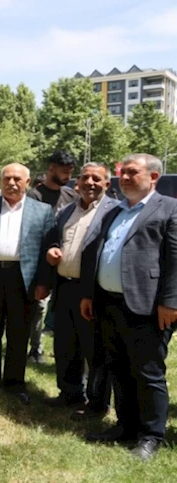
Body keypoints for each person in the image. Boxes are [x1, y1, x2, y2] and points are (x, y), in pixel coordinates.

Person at [80, 154, 177, 461]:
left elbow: (175, 261)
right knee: (118, 367)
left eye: (132, 173)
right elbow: (100, 252)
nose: (123, 177)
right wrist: (89, 294)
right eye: (122, 172)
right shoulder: (115, 210)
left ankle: (151, 435)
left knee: (148, 372)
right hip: (109, 302)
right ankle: (125, 426)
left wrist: (170, 302)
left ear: (153, 177)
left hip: (148, 306)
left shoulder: (170, 208)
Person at [0, 163, 54, 405]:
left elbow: (48, 248)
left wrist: (44, 282)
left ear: (27, 182)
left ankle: (15, 382)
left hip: (24, 278)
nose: (12, 183)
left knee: (19, 332)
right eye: (7, 178)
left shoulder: (43, 211)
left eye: (17, 179)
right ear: (1, 180)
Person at [43, 162, 117, 418]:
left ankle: (97, 404)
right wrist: (52, 250)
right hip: (64, 287)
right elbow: (56, 239)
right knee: (65, 344)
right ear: (77, 183)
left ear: (107, 184)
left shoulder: (114, 211)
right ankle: (70, 393)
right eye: (85, 178)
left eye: (97, 179)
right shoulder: (65, 211)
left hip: (93, 292)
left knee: (95, 349)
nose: (90, 183)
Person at [27, 150, 78, 362]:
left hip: (64, 261)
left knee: (62, 307)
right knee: (38, 306)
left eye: (70, 172)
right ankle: (34, 349)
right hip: (40, 260)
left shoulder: (71, 196)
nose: (67, 176)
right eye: (63, 172)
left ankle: (64, 351)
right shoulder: (34, 196)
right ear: (51, 169)